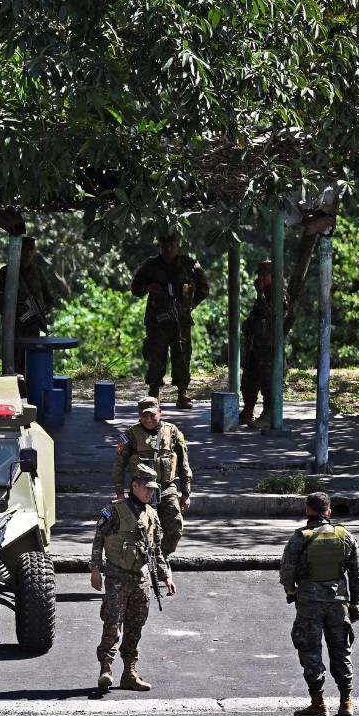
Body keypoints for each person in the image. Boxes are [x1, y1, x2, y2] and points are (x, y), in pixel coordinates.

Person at [90, 463, 177, 691]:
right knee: (112, 624)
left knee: (135, 627)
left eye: (152, 489)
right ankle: (106, 669)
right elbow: (99, 538)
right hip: (117, 577)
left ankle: (129, 672)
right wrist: (95, 569)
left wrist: (166, 574)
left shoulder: (152, 514)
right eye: (146, 488)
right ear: (134, 485)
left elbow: (156, 549)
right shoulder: (115, 510)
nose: (150, 492)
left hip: (141, 580)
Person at [280, 491, 359, 716]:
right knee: (341, 649)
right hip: (338, 603)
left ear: (308, 510)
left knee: (310, 650)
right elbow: (356, 575)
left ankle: (318, 703)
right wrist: (354, 603)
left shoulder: (301, 537)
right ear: (329, 511)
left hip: (309, 602)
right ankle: (346, 701)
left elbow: (286, 572)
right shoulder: (345, 536)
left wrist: (292, 592)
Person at [131, 234, 210, 408]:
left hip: (180, 320)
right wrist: (148, 288)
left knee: (182, 355)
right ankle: (153, 393)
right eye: (164, 245)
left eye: (172, 244)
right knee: (156, 355)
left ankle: (182, 393)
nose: (168, 248)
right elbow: (135, 288)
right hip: (157, 320)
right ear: (159, 245)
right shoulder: (150, 266)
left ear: (177, 246)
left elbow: (204, 288)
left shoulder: (189, 265)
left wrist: (190, 304)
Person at [112, 396, 192, 558]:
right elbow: (119, 465)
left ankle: (161, 558)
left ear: (160, 413)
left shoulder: (173, 432)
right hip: (141, 489)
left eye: (152, 415)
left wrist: (186, 493)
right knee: (139, 530)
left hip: (166, 488)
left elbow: (184, 464)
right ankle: (141, 561)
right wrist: (120, 493)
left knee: (174, 529)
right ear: (139, 416)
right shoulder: (130, 435)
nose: (148, 419)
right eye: (144, 416)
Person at [0, 237, 54, 372]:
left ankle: (30, 388)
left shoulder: (38, 272)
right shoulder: (8, 271)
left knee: (31, 358)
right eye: (25, 249)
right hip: (14, 325)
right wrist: (12, 309)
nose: (28, 252)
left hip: (32, 325)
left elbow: (49, 298)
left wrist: (41, 309)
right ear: (19, 251)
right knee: (13, 357)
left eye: (31, 249)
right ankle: (12, 386)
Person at [240, 259, 287, 427]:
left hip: (269, 348)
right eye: (259, 274)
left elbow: (270, 315)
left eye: (264, 274)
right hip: (257, 345)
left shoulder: (279, 294)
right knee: (249, 380)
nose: (260, 278)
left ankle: (269, 414)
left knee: (269, 381)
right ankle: (248, 410)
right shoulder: (264, 294)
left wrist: (259, 294)